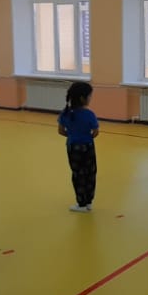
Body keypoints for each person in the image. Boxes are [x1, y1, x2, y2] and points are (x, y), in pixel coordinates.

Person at [59, 82, 100, 213]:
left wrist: (72, 135)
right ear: (83, 98)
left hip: (73, 147)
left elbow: (61, 131)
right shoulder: (89, 114)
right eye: (90, 96)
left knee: (78, 174)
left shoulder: (66, 113)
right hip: (88, 146)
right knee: (90, 173)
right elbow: (95, 132)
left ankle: (81, 202)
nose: (90, 98)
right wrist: (87, 137)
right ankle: (88, 202)